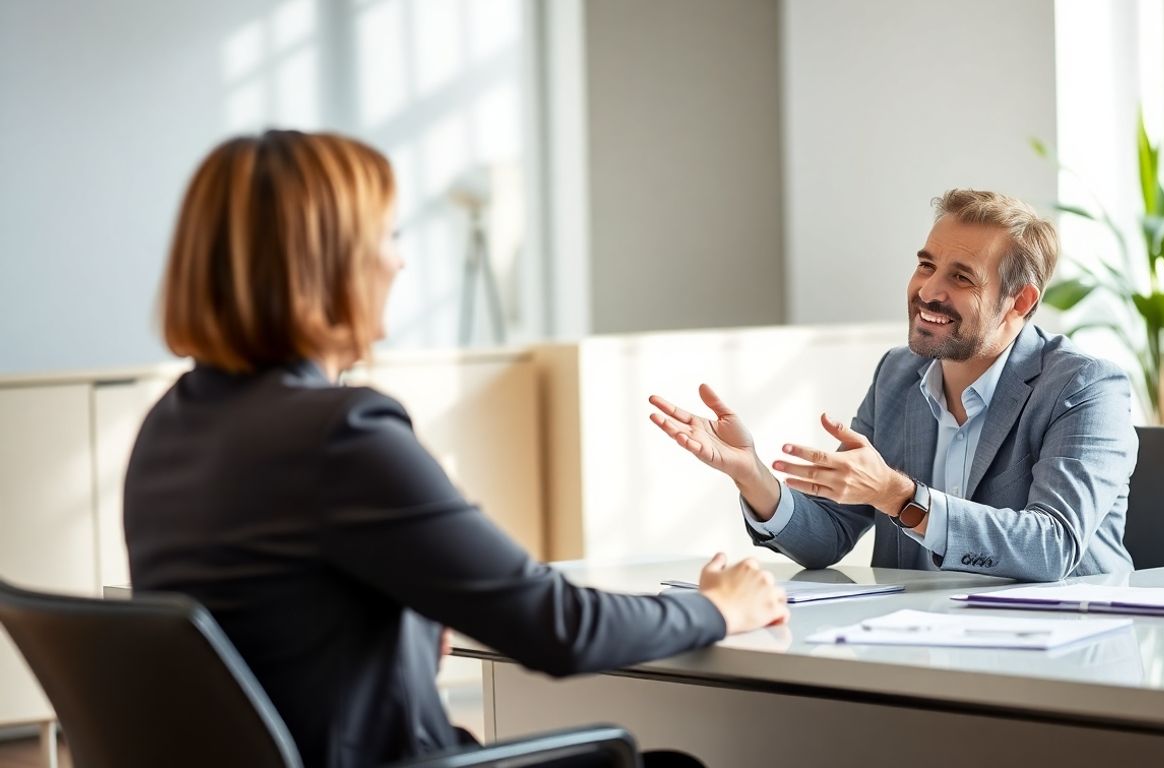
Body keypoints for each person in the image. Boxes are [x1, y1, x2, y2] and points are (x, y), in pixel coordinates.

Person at [123, 129, 788, 768]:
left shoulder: (171, 424)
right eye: (387, 236)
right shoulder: (340, 435)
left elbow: (282, 628)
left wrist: (404, 629)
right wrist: (717, 608)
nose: (400, 259)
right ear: (326, 265)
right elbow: (559, 627)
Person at [649, 189, 1138, 583]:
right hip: (917, 647)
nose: (928, 291)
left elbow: (1052, 548)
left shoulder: (1086, 386)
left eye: (961, 277)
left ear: (1020, 301)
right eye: (926, 265)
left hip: (1061, 656)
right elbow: (831, 535)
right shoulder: (898, 375)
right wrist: (751, 473)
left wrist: (901, 497)